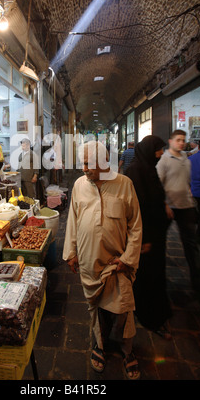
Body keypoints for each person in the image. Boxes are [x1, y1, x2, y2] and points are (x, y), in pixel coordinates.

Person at [63, 141, 142, 379]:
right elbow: (73, 220)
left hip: (117, 263)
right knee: (96, 308)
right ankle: (100, 345)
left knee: (123, 309)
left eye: (88, 163)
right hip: (89, 261)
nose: (83, 167)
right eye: (82, 162)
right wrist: (72, 252)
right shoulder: (79, 185)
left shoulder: (124, 184)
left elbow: (136, 225)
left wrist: (128, 258)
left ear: (103, 162)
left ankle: (127, 350)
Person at [125, 135, 172, 339]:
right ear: (148, 150)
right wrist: (143, 239)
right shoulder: (136, 171)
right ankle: (149, 315)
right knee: (147, 276)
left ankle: (153, 311)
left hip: (155, 234)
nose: (161, 153)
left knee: (154, 274)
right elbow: (138, 208)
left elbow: (154, 197)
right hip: (146, 236)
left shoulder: (148, 167)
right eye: (158, 150)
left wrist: (164, 206)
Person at [156, 130, 200, 300]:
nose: (181, 143)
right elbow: (158, 185)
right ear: (170, 141)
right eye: (178, 140)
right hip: (170, 207)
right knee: (160, 244)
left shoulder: (186, 158)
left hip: (186, 207)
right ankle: (160, 284)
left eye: (183, 140)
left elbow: (187, 181)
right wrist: (164, 204)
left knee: (191, 247)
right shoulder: (164, 161)